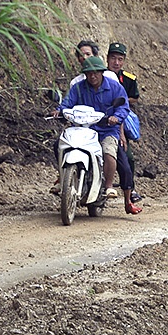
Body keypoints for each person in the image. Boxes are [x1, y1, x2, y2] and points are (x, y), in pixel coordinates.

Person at [59, 56, 140, 214]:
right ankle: (61, 180)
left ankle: (108, 186)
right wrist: (59, 111)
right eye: (89, 73)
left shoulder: (115, 87)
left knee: (109, 151)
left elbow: (123, 106)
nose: (92, 76)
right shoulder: (78, 88)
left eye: (96, 73)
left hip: (106, 130)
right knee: (60, 145)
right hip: (83, 129)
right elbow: (67, 103)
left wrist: (115, 117)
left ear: (102, 72)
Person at [106, 41, 144, 203]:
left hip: (117, 119)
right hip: (98, 119)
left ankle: (129, 188)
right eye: (113, 58)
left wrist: (120, 100)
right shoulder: (98, 76)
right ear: (107, 58)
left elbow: (135, 97)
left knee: (127, 156)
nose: (116, 62)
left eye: (120, 59)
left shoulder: (128, 79)